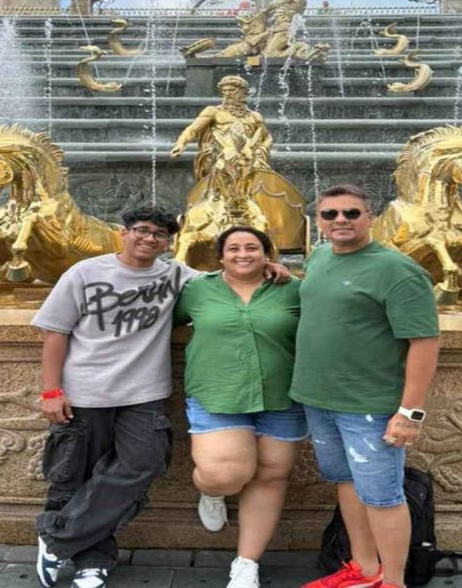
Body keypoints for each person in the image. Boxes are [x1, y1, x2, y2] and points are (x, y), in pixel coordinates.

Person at [33, 208, 290, 588]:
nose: (149, 239)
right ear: (123, 233)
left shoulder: (175, 274)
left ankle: (58, 539)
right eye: (142, 230)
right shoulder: (85, 272)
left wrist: (270, 267)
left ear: (169, 243)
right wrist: (52, 391)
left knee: (144, 464)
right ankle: (93, 561)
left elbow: (232, 275)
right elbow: (54, 331)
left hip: (144, 394)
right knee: (77, 474)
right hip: (86, 392)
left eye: (159, 234)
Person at [291, 185, 440, 588]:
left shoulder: (397, 270)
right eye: (330, 214)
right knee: (347, 483)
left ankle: (393, 582)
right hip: (319, 400)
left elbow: (425, 342)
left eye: (351, 213)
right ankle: (365, 569)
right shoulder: (319, 257)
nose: (340, 220)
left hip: (369, 406)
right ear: (319, 221)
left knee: (382, 496)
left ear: (370, 218)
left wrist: (410, 413)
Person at [173, 226, 303, 588]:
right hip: (218, 392)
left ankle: (246, 563)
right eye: (233, 248)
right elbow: (161, 318)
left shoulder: (292, 289)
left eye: (252, 248)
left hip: (281, 394)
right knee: (223, 475)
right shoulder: (197, 289)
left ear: (268, 254)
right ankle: (212, 492)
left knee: (271, 475)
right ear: (220, 257)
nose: (242, 254)